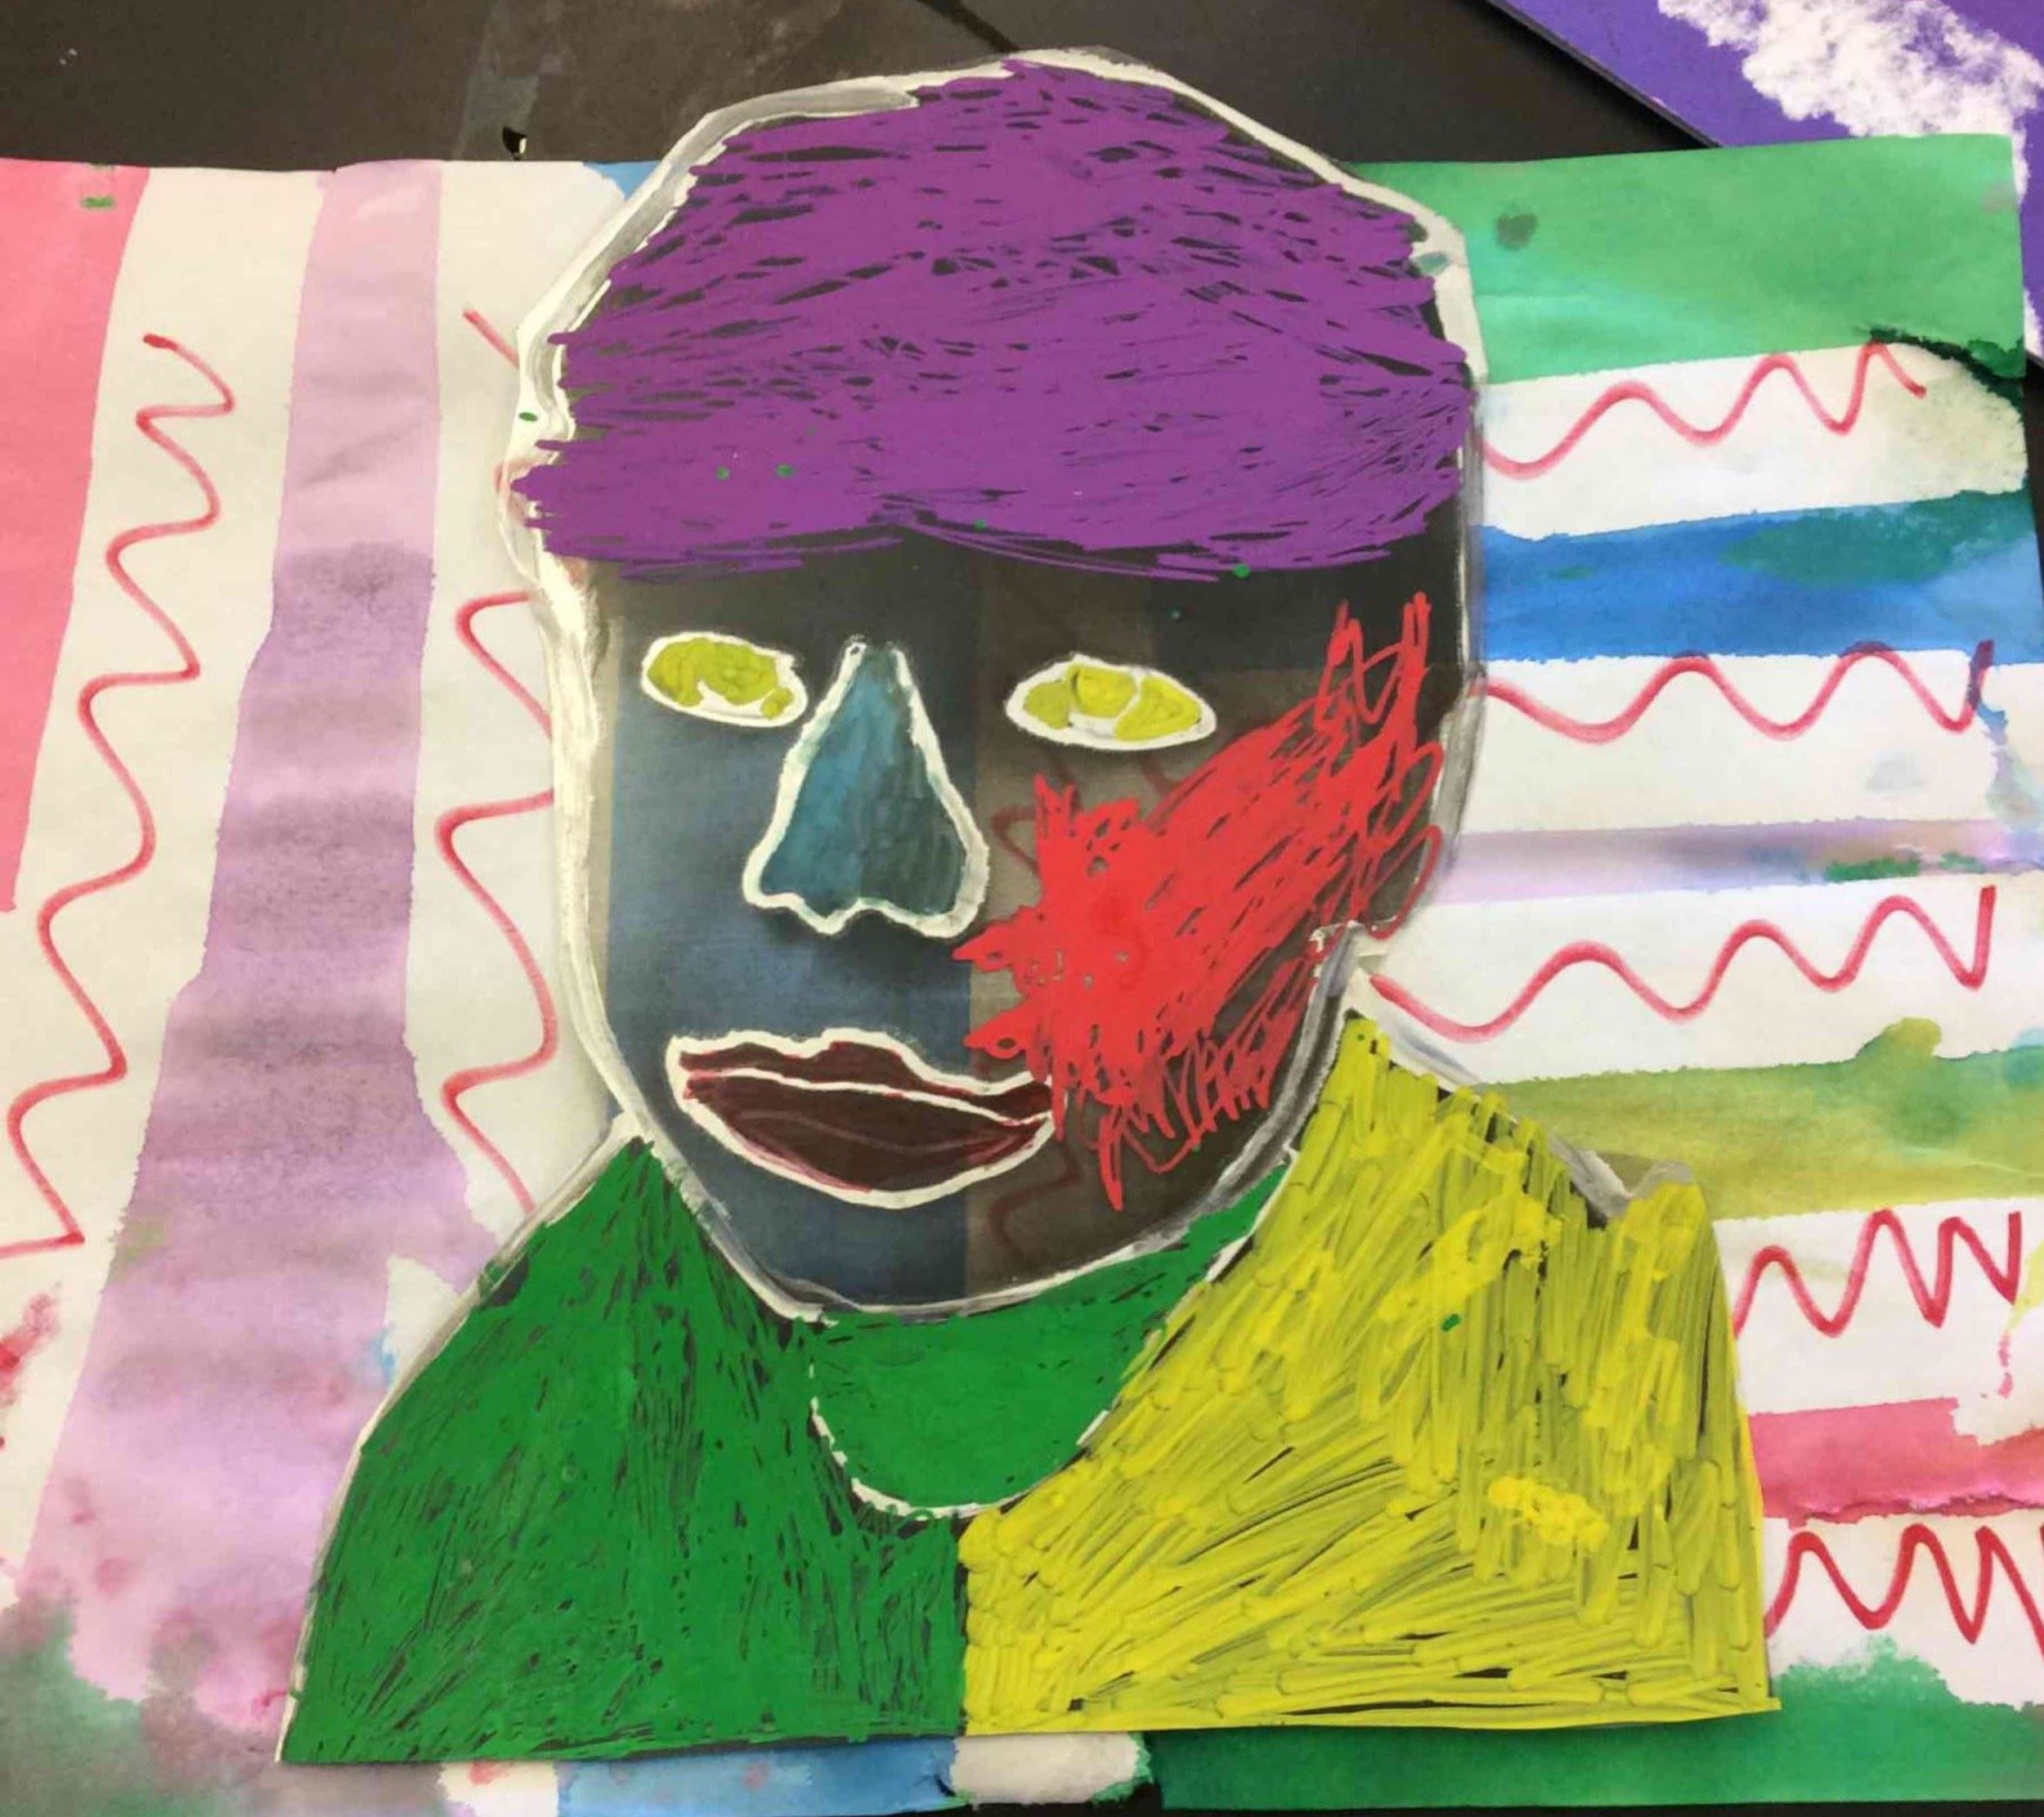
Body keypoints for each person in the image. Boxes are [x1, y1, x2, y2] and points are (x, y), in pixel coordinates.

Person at [281, 52, 1769, 1765]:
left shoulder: (1571, 1421)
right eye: (718, 679)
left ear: (1391, 777)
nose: (855, 871)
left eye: (1097, 709)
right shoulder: (493, 1479)